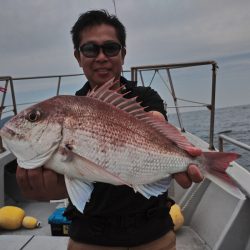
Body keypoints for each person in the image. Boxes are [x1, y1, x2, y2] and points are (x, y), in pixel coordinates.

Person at [16, 10, 203, 250]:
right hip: (90, 239)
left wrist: (176, 151)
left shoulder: (146, 99)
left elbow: (156, 123)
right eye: (91, 49)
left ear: (123, 54)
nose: (102, 57)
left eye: (111, 48)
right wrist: (48, 187)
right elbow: (72, 177)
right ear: (78, 56)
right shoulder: (71, 106)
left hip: (153, 234)